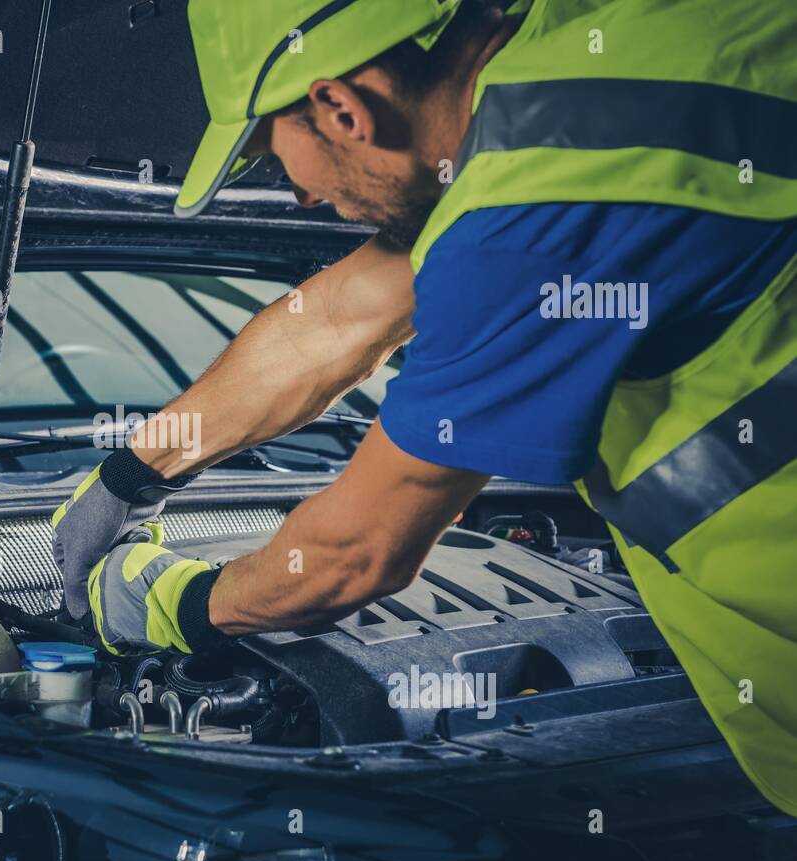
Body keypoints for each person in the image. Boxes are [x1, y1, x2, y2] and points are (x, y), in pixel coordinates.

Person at [51, 0, 797, 815]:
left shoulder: (524, 220)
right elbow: (329, 327)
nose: (298, 197)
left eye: (272, 152)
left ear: (341, 107)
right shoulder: (579, 59)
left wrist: (171, 602)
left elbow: (354, 554)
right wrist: (130, 473)